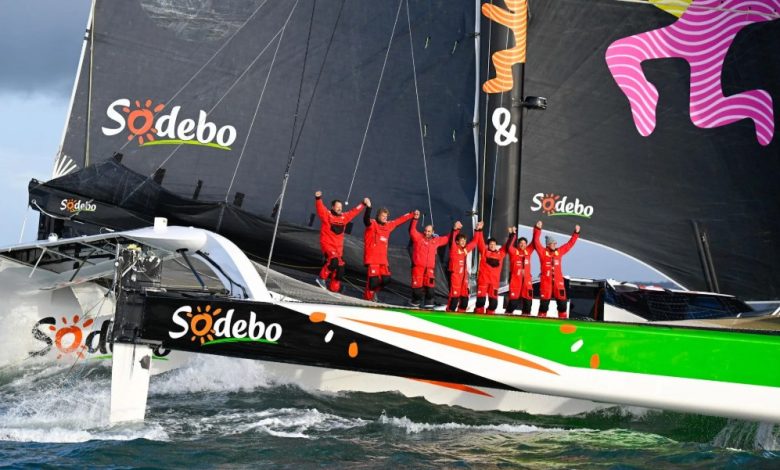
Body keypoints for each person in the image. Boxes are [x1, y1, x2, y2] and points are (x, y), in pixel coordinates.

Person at [314, 191, 368, 292]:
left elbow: (354, 212)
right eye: (338, 207)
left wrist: (363, 204)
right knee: (333, 261)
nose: (340, 208)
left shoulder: (344, 218)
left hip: (338, 249)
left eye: (341, 207)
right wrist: (318, 198)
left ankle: (334, 289)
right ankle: (321, 278)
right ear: (333, 207)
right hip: (328, 245)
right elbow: (320, 208)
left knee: (341, 268)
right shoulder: (327, 215)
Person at [362, 201, 415, 302]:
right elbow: (366, 220)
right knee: (373, 281)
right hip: (372, 259)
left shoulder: (388, 225)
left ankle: (374, 293)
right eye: (383, 216)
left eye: (386, 217)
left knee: (386, 279)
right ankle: (368, 298)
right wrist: (369, 207)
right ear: (378, 216)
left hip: (383, 260)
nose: (385, 218)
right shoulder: (372, 224)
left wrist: (412, 214)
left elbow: (399, 220)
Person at [533, 220, 580, 318]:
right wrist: (537, 229)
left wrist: (576, 233)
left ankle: (562, 322)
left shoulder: (559, 252)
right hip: (546, 284)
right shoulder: (542, 252)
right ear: (548, 245)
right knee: (544, 306)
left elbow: (569, 245)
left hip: (559, 284)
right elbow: (536, 242)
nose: (555, 245)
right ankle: (540, 322)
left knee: (562, 305)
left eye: (555, 243)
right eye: (553, 243)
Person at [408, 210, 454, 308]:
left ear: (433, 232)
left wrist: (455, 230)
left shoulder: (436, 241)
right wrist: (415, 219)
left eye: (429, 231)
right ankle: (413, 304)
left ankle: (428, 307)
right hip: (418, 269)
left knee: (430, 291)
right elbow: (412, 231)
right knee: (417, 292)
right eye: (425, 230)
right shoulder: (418, 238)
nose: (426, 232)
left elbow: (447, 238)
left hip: (429, 270)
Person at [447, 221, 482, 312]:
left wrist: (477, 230)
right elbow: (452, 239)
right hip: (455, 277)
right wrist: (455, 229)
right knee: (454, 300)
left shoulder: (465, 250)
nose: (463, 242)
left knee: (465, 301)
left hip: (464, 278)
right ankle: (449, 314)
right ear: (457, 242)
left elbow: (474, 242)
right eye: (461, 241)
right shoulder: (454, 249)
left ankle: (460, 315)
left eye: (464, 241)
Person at [473, 228, 511, 314]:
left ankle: (490, 315)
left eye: (494, 244)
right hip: (483, 281)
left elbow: (507, 246)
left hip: (494, 283)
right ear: (488, 245)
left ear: (496, 245)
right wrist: (479, 230)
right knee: (480, 302)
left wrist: (512, 235)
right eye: (490, 244)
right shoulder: (484, 252)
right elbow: (480, 241)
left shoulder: (500, 254)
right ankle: (478, 315)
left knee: (494, 304)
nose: (492, 245)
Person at [505, 226, 536, 315]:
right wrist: (513, 234)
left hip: (527, 283)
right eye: (521, 243)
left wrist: (537, 229)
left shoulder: (528, 252)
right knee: (513, 303)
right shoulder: (514, 252)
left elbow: (535, 242)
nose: (523, 244)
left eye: (524, 243)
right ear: (518, 244)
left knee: (528, 305)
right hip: (516, 281)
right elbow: (509, 246)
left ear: (526, 245)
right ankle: (506, 317)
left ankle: (525, 322)